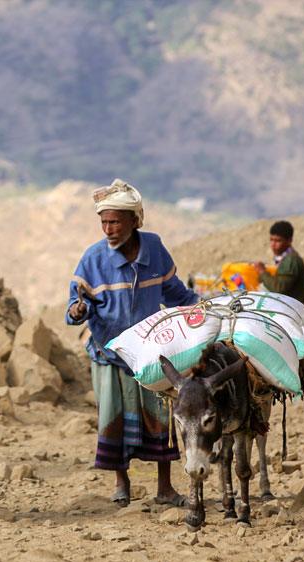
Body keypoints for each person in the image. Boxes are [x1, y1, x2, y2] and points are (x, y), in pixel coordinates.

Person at [66, 178, 197, 507]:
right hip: (108, 352)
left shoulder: (154, 249)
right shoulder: (93, 259)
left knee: (161, 419)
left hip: (152, 353)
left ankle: (165, 487)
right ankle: (121, 483)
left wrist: (203, 307)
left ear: (134, 221)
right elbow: (73, 307)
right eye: (104, 222)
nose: (108, 229)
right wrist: (78, 310)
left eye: (115, 222)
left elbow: (176, 292)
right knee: (114, 418)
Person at [254, 220, 304, 410]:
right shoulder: (284, 259)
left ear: (289, 241)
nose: (274, 245)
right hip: (302, 316)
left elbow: (280, 287)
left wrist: (262, 273)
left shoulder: (291, 261)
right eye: (271, 240)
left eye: (278, 241)